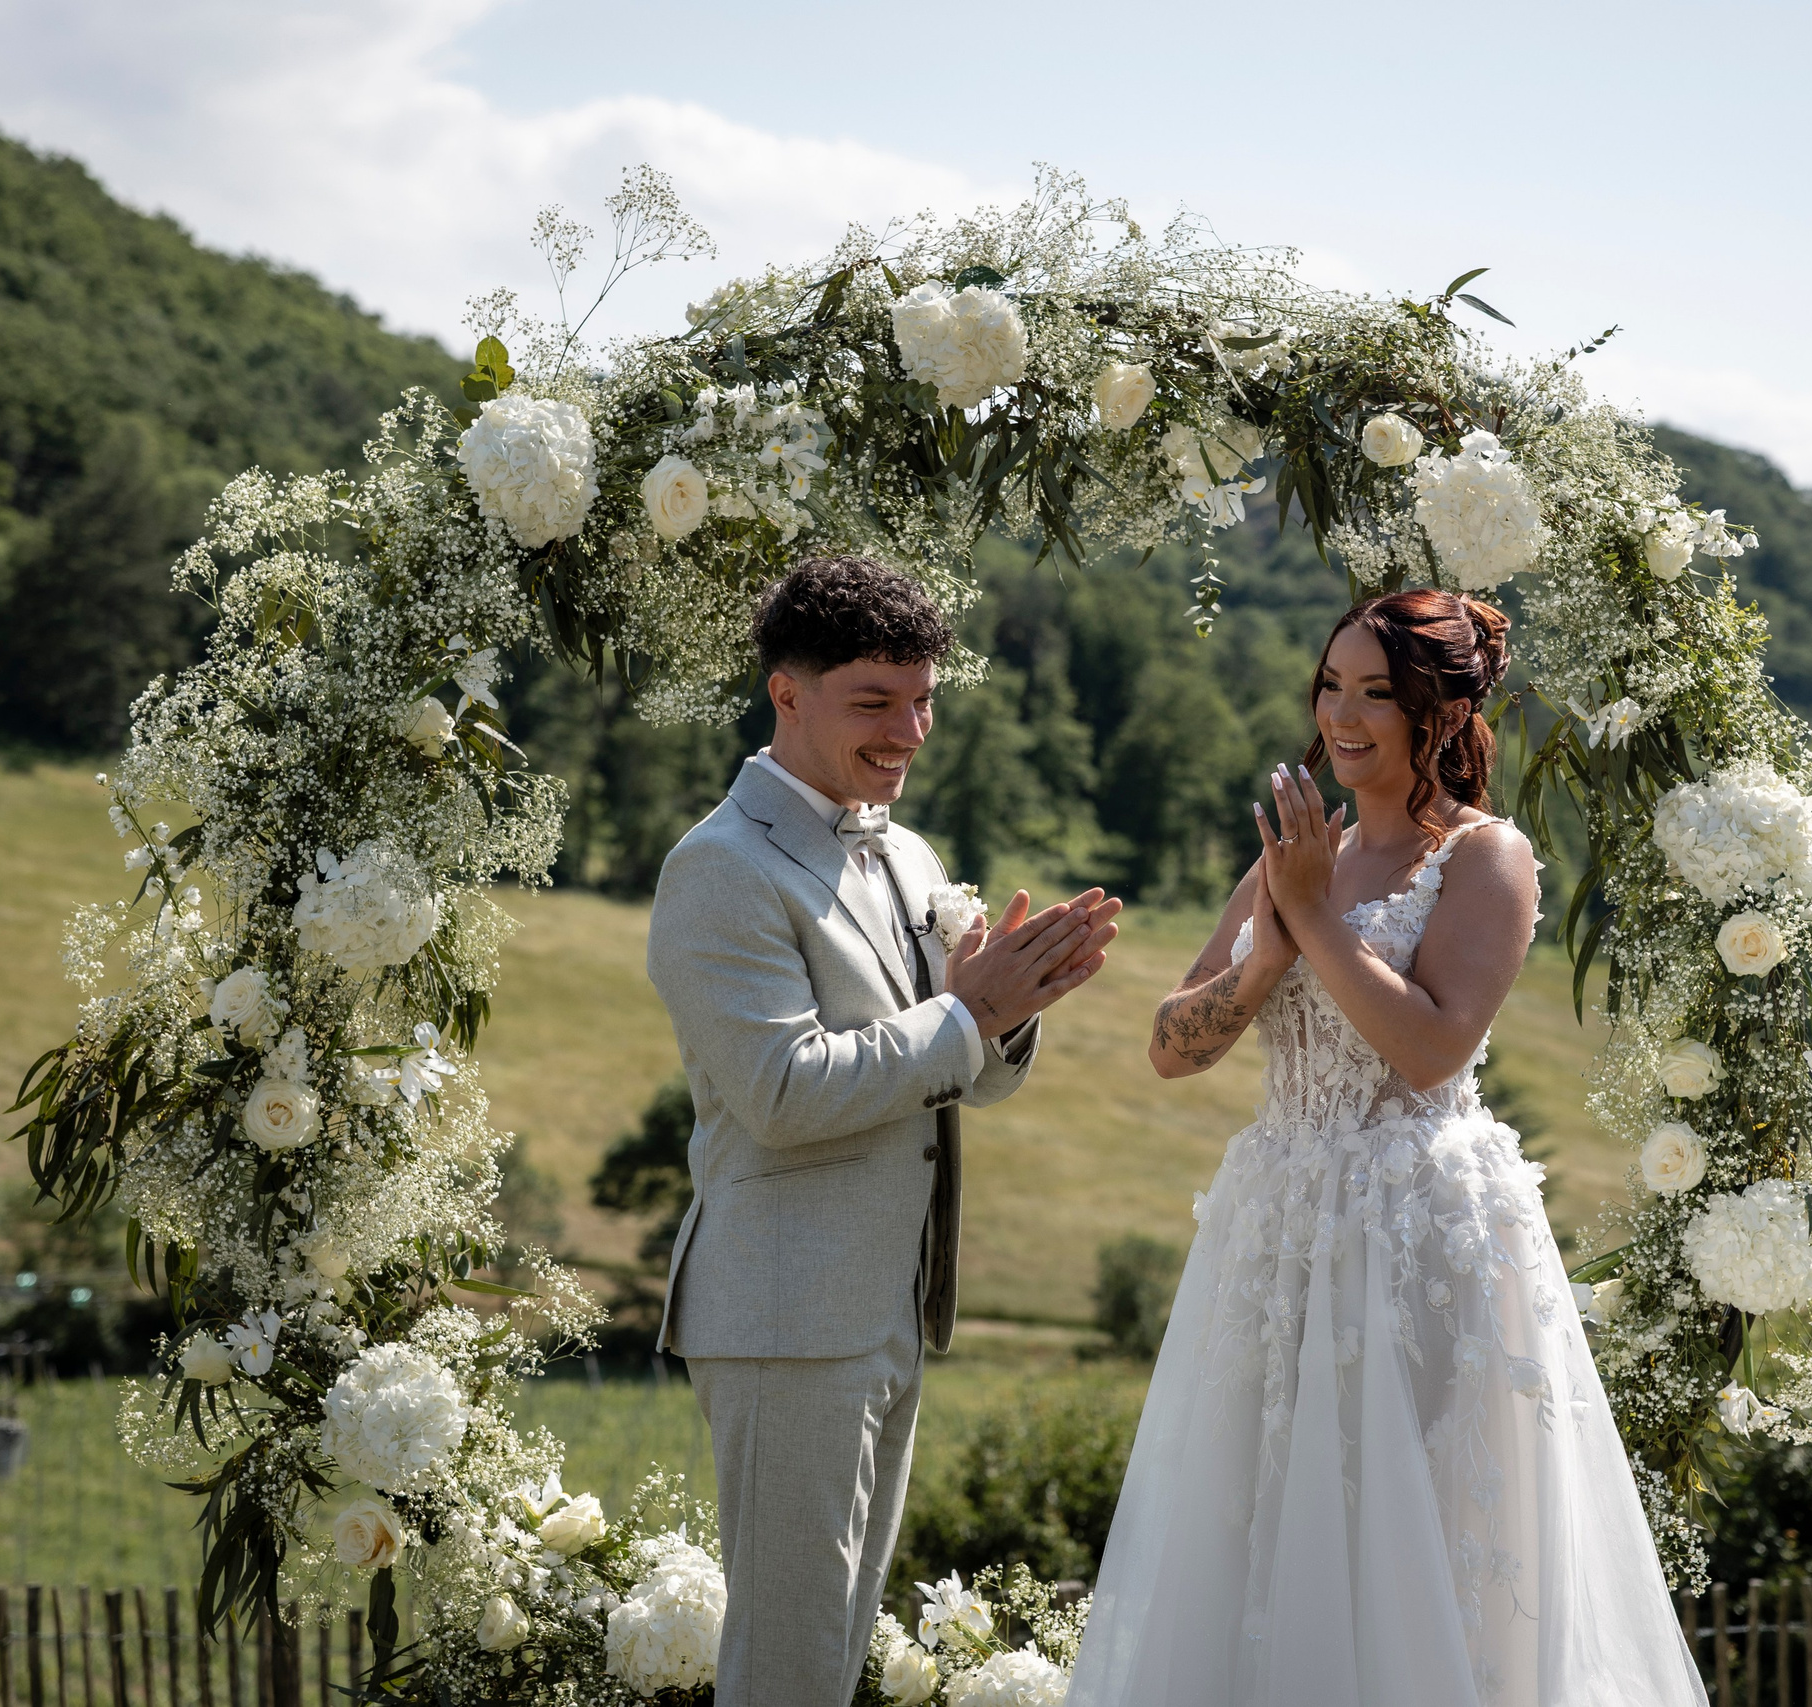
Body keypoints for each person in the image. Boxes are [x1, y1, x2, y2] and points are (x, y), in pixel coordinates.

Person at [1067, 590, 1709, 1707]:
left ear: (1441, 710)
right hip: (1279, 1224)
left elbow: (1429, 1048)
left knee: (1415, 1539)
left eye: (1378, 692)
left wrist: (1312, 920)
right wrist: (1267, 952)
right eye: (1331, 685)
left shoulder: (1482, 857)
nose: (1343, 714)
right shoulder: (1291, 854)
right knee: (1260, 1521)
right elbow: (1173, 1047)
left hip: (1416, 1229)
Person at [646, 554, 1123, 1706]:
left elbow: (960, 1078)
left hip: (885, 1308)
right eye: (874, 700)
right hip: (783, 1311)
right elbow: (785, 1090)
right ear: (786, 692)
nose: (908, 729)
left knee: (834, 1650)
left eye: (922, 699)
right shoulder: (720, 867)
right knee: (787, 1663)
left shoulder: (903, 853)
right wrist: (972, 1012)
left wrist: (1001, 1021)